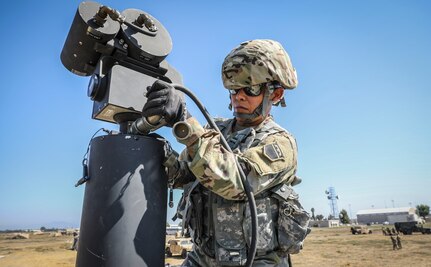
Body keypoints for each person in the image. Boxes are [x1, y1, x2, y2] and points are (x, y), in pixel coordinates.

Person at [142, 39, 310, 266]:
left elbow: (236, 181)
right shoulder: (216, 131)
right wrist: (153, 147)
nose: (238, 96)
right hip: (201, 258)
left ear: (276, 94)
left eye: (250, 89)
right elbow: (182, 174)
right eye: (234, 89)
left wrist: (185, 120)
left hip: (256, 262)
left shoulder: (281, 143)